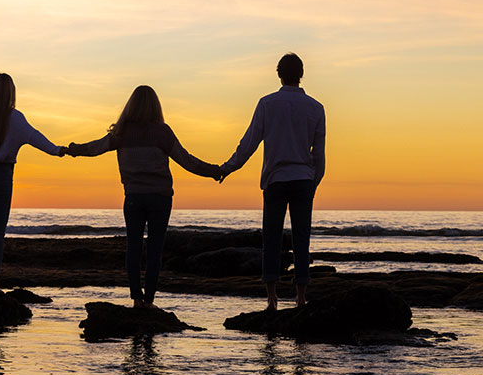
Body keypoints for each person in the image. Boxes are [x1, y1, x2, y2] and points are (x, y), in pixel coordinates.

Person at [66, 85, 221, 308]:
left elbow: (94, 148)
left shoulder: (122, 133)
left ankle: (136, 299)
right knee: (155, 250)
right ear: (155, 106)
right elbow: (187, 161)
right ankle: (149, 301)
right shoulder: (162, 132)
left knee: (134, 247)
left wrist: (72, 149)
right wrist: (215, 171)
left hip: (134, 197)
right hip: (160, 197)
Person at [218, 53, 325, 310]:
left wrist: (228, 168)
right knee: (302, 238)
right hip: (302, 178)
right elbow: (318, 154)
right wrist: (314, 182)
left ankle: (272, 299)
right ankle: (300, 297)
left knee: (272, 239)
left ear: (279, 74)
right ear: (301, 74)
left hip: (276, 179)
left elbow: (250, 142)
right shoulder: (316, 107)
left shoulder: (267, 104)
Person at [0, 72, 66, 292]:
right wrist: (57, 150)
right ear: (11, 92)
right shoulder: (15, 118)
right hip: (0, 175)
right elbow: (35, 137)